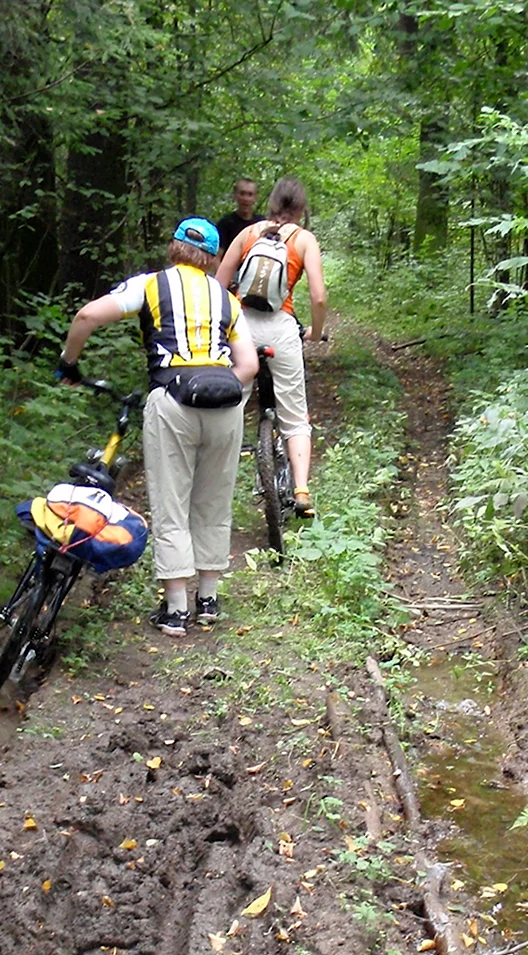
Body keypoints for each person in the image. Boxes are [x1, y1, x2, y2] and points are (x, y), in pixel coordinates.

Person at [58, 218, 258, 636]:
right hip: (226, 406)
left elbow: (87, 315)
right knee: (214, 500)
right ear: (213, 257)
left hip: (171, 401)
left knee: (172, 503)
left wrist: (69, 363)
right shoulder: (226, 298)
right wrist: (215, 387)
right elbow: (249, 365)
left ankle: (176, 610)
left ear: (174, 248)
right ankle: (208, 599)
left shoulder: (151, 285)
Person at [216, 176, 327, 519]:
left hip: (242, 325)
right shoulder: (305, 239)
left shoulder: (248, 234)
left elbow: (219, 284)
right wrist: (315, 332)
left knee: (230, 405)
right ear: (301, 208)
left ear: (271, 203)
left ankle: (214, 489)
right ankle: (302, 490)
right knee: (295, 417)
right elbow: (319, 297)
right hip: (281, 326)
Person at [215, 178, 264, 258]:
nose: (245, 199)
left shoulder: (261, 224)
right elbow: (217, 256)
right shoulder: (225, 223)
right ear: (235, 195)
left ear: (255, 198)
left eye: (250, 194)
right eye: (242, 193)